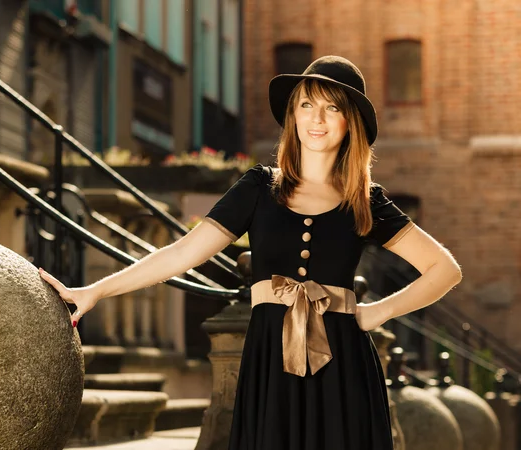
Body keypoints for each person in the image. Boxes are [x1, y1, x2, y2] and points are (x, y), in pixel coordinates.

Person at [40, 55, 462, 449]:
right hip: (269, 361)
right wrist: (95, 290)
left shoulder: (364, 200)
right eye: (306, 105)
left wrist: (377, 312)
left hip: (344, 364)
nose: (316, 118)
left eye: (332, 108)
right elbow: (182, 253)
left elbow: (445, 269)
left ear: (351, 122)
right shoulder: (260, 188)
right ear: (292, 114)